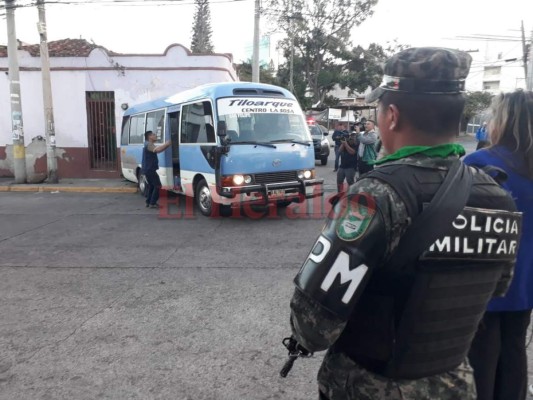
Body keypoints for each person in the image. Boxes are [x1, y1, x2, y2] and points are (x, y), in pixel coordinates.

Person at [288, 47, 521, 400]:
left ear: (392, 116)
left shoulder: (374, 196)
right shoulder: (497, 197)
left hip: (371, 387)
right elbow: (494, 291)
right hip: (456, 387)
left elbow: (313, 327)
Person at [463, 89, 533, 400]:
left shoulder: (479, 163)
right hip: (526, 283)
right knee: (515, 349)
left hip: (483, 283)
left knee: (481, 355)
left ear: (503, 120)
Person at [142, 130, 171, 208]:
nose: (155, 135)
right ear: (149, 137)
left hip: (148, 169)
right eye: (153, 134)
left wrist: (165, 145)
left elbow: (157, 149)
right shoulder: (149, 144)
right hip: (150, 169)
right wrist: (167, 144)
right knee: (158, 185)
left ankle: (148, 202)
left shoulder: (148, 144)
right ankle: (152, 203)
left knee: (152, 186)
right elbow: (158, 150)